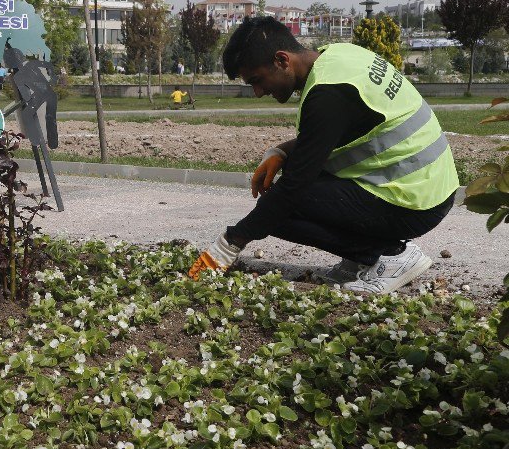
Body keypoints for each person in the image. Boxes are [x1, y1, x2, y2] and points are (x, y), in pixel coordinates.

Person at [188, 17, 458, 294]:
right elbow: (341, 131)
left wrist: (230, 242)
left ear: (282, 60)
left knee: (280, 206)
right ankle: (361, 258)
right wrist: (281, 152)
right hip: (430, 186)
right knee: (284, 199)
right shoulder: (340, 57)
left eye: (257, 80)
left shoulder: (328, 95)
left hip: (414, 201)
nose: (258, 92)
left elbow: (294, 187)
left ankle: (390, 255)